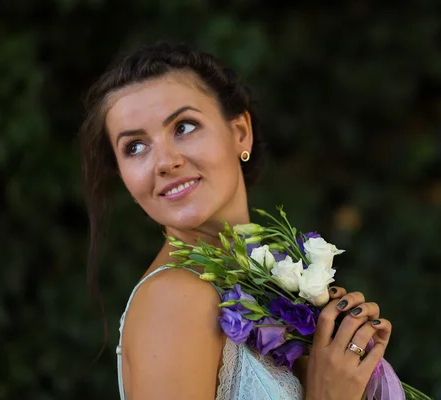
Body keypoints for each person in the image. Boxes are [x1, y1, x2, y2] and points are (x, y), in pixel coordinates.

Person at [80, 41, 393, 400]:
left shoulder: (261, 279)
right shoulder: (175, 298)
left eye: (183, 127)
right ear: (124, 177)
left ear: (240, 132)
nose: (165, 162)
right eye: (134, 147)